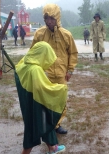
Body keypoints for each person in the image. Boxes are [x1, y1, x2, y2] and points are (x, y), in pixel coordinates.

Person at [15, 41, 67, 154]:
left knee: (45, 120)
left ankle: (52, 147)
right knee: (33, 128)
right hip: (35, 102)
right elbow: (44, 89)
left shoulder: (23, 64)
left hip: (28, 101)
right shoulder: (35, 70)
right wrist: (61, 89)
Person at [30, 3, 78, 135]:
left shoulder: (66, 35)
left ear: (57, 18)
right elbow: (33, 53)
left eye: (52, 18)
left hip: (61, 74)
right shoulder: (39, 34)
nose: (49, 21)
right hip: (45, 74)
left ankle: (57, 125)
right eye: (46, 18)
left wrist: (70, 70)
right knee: (45, 100)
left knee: (60, 100)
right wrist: (36, 70)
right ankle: (46, 124)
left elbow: (72, 53)